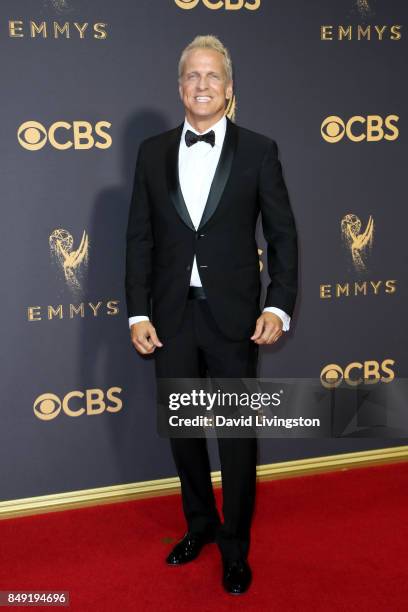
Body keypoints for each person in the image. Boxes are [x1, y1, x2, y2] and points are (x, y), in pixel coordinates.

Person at [125, 35, 298, 595]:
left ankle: (236, 547)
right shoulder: (152, 152)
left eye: (213, 77)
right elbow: (139, 240)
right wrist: (136, 313)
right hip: (171, 317)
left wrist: (278, 302)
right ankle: (198, 525)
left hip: (234, 319)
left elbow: (282, 235)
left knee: (237, 437)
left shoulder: (259, 150)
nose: (202, 86)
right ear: (180, 87)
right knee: (184, 432)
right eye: (192, 76)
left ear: (229, 89)